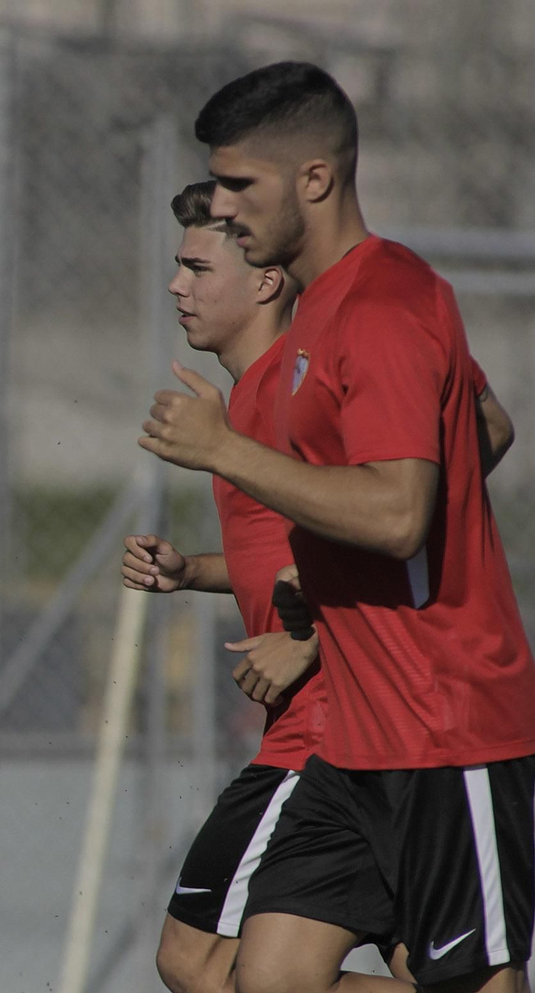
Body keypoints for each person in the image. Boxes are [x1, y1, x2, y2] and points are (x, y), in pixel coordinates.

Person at [141, 60, 535, 993]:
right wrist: (317, 584)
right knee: (253, 978)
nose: (225, 208)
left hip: (447, 726)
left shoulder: (389, 302)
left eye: (241, 185)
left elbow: (400, 513)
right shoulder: (321, 313)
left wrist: (226, 454)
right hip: (355, 740)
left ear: (314, 180)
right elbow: (479, 428)